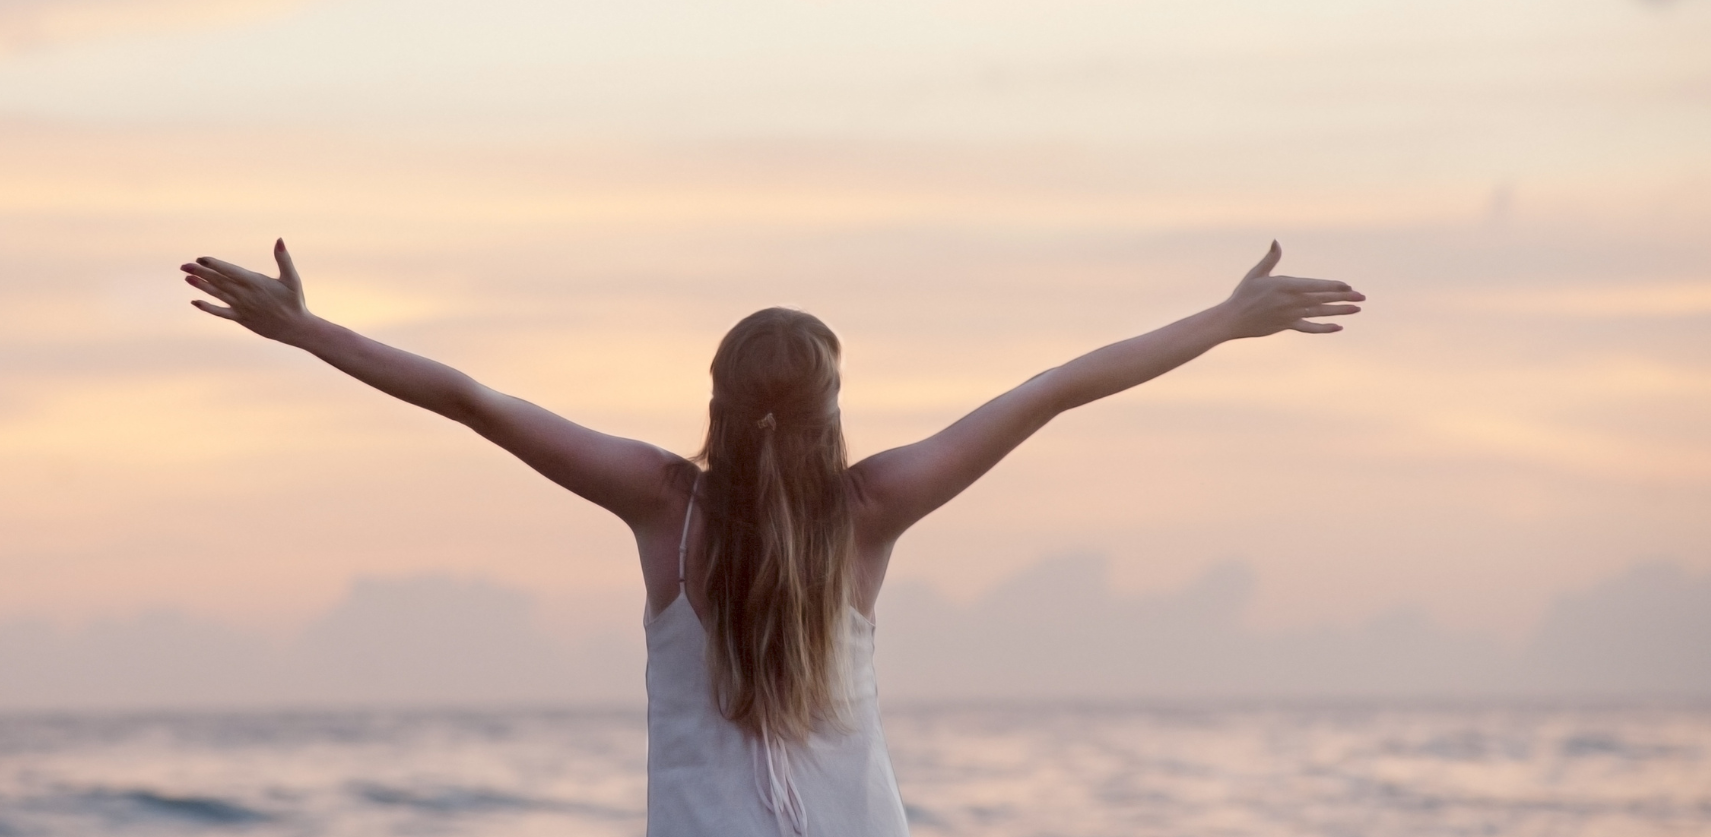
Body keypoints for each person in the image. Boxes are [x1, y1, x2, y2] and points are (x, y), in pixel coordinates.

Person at [180, 240, 1363, 836]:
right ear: (832, 406)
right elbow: (1056, 387)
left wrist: (307, 332)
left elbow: (472, 399)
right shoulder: (876, 506)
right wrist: (1223, 320)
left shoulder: (660, 504)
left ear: (715, 392)